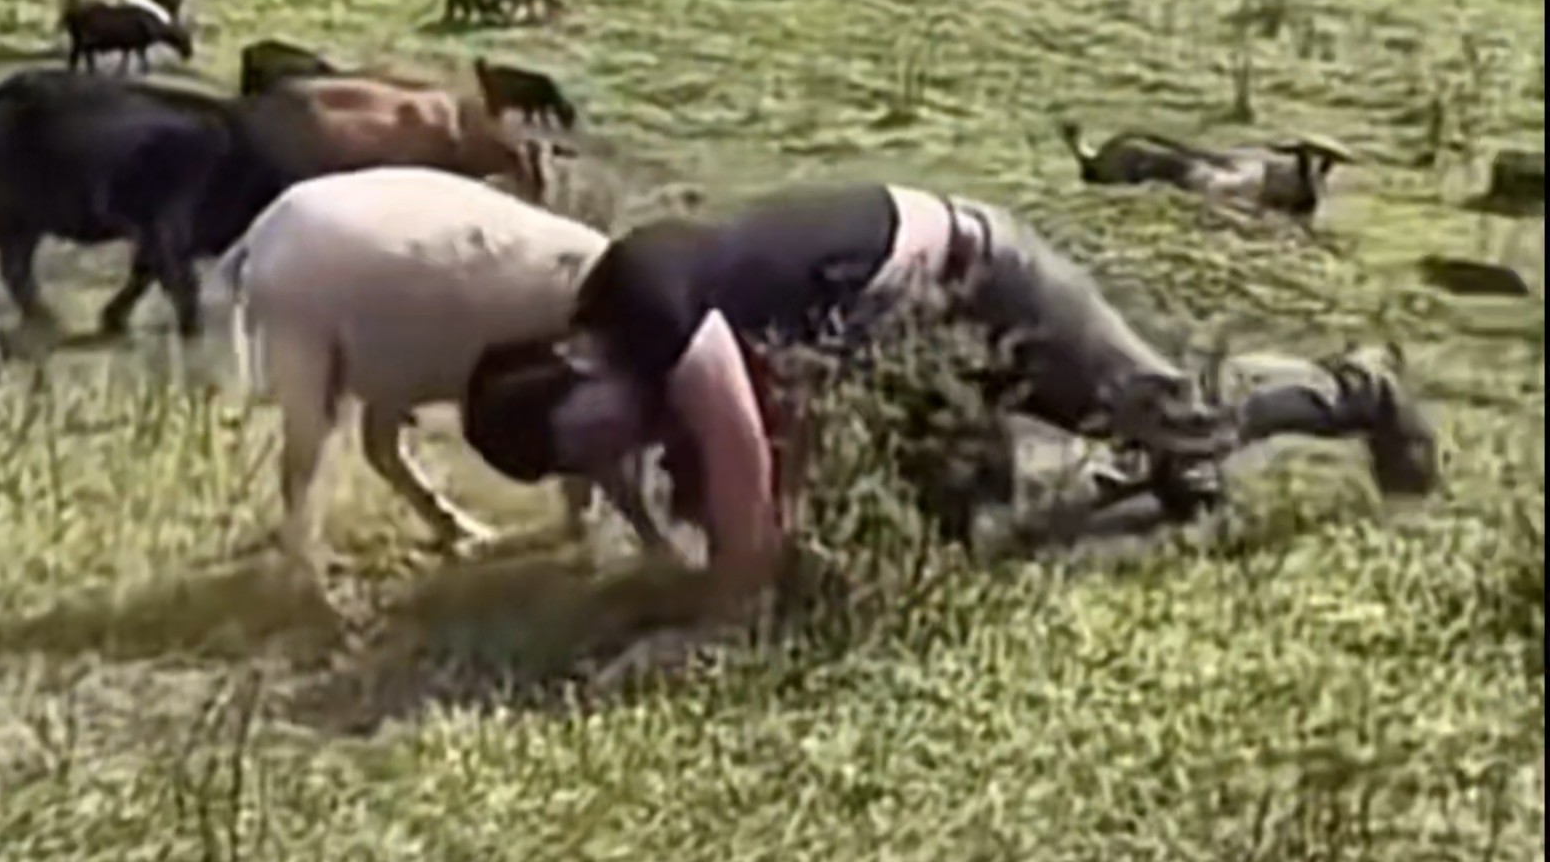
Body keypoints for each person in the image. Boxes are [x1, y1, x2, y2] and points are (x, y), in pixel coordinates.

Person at [461, 183, 1439, 620]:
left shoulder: (646, 303)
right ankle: (1158, 481)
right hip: (900, 340)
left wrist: (715, 619)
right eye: (586, 460)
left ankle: (1359, 387)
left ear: (577, 361)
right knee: (961, 516)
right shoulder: (624, 360)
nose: (616, 449)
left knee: (1176, 419)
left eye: (592, 433)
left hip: (978, 277)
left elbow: (745, 469)